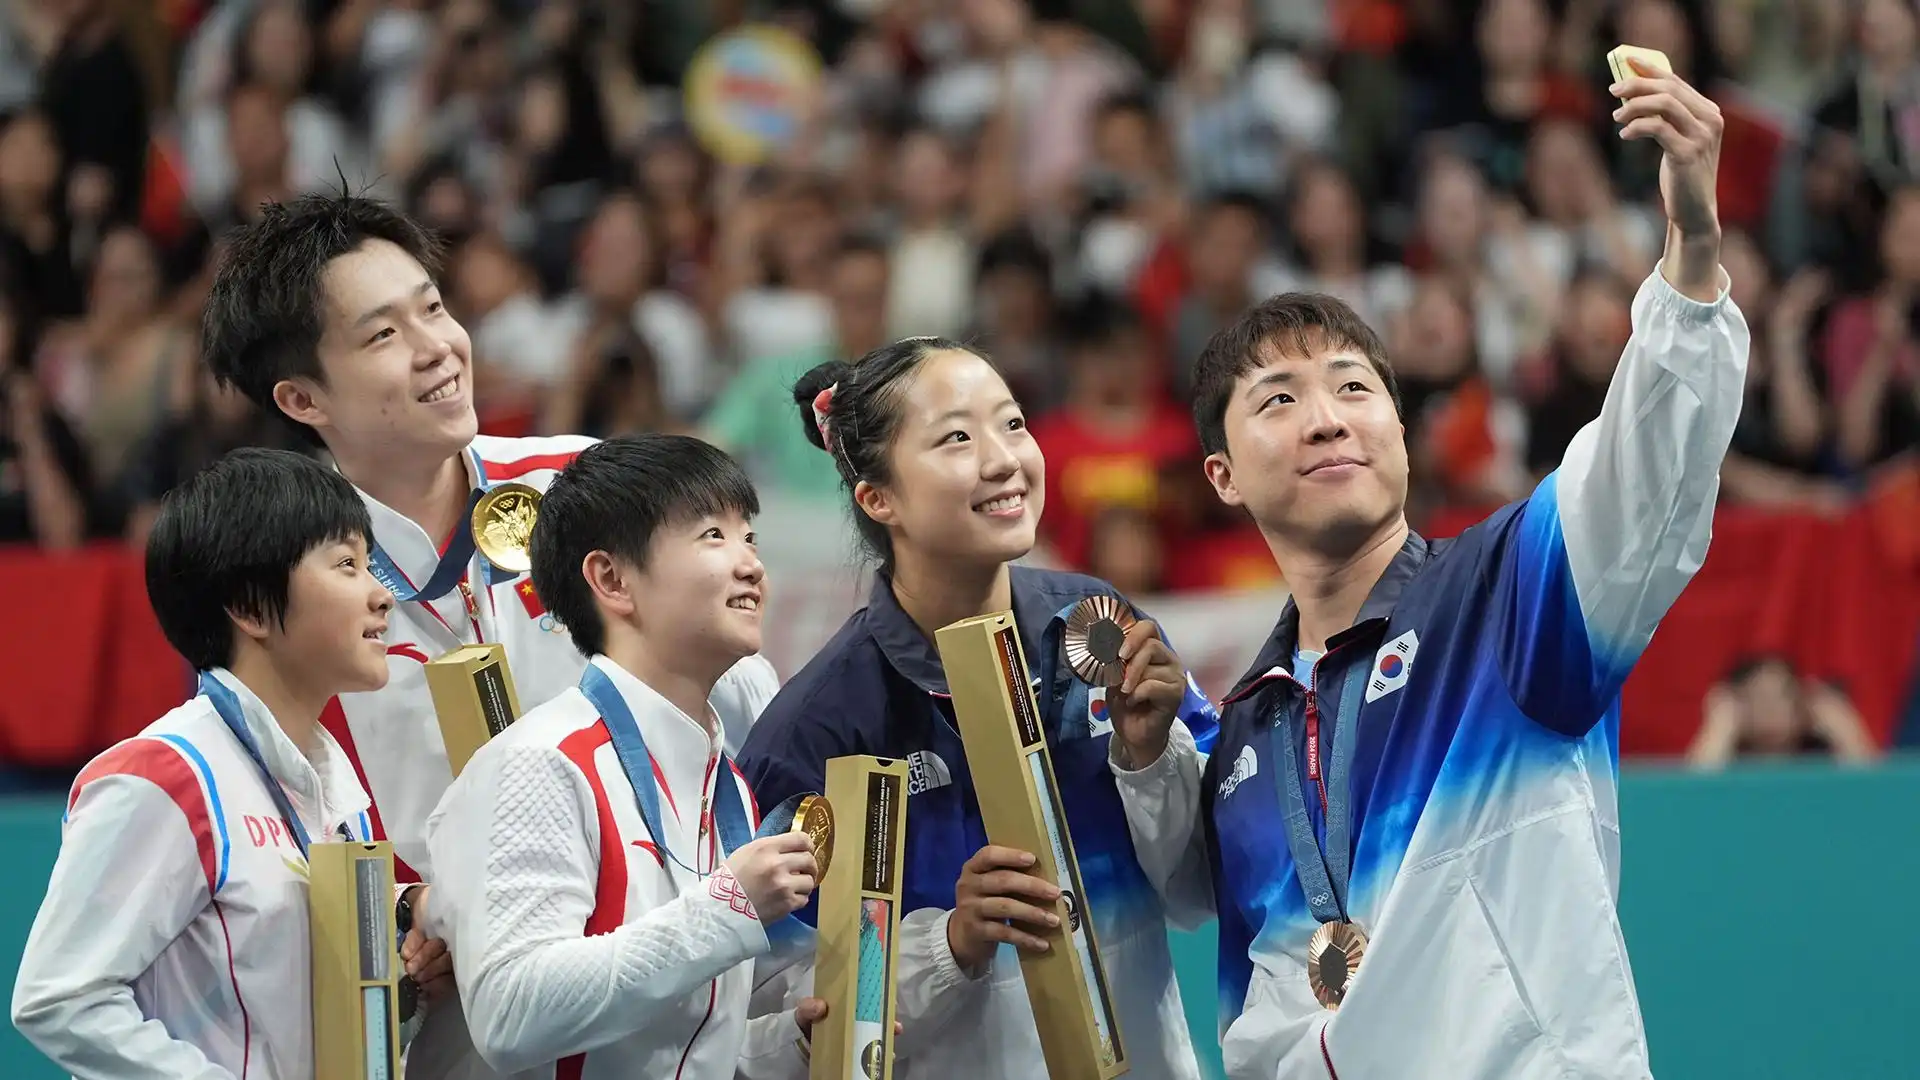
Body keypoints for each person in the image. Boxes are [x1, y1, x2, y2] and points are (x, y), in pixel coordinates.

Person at [1110, 62, 1750, 1077]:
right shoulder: (1252, 723)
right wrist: (1146, 757)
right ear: (1222, 477)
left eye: (1353, 387)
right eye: (1278, 400)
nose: (1326, 417)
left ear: (1398, 430)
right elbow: (1191, 890)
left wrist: (1693, 265)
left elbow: (1646, 471)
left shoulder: (1512, 594)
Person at [199, 190, 782, 1074]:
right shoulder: (275, 598)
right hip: (463, 1035)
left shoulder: (581, 491)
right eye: (383, 335)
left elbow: (749, 716)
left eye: (432, 307)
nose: (438, 347)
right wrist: (403, 912)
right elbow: (267, 845)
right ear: (301, 395)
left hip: (669, 1015)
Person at [734, 336, 1219, 1078]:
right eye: (957, 438)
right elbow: (777, 1016)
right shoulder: (819, 732)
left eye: (1013, 424)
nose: (1004, 460)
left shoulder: (1099, 627)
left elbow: (1198, 891)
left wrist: (1150, 759)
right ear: (877, 497)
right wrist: (949, 943)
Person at [12, 448, 452, 1075]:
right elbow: (59, 999)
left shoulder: (333, 781)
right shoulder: (165, 779)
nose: (382, 597)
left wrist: (399, 960)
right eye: (347, 565)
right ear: (249, 606)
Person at [425, 435, 822, 1078]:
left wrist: (788, 1046)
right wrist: (726, 907)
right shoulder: (541, 763)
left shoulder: (726, 785)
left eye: (749, 537)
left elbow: (667, 1047)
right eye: (712, 535)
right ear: (611, 579)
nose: (751, 564)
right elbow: (511, 1012)